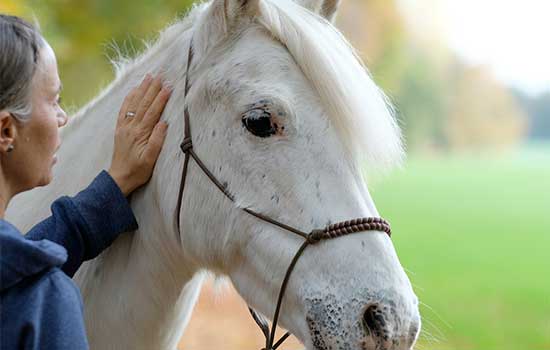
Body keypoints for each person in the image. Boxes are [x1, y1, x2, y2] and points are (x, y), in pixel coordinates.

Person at [0, 15, 171, 349]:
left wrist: (112, 189)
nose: (62, 117)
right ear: (6, 131)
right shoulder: (44, 306)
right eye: (53, 100)